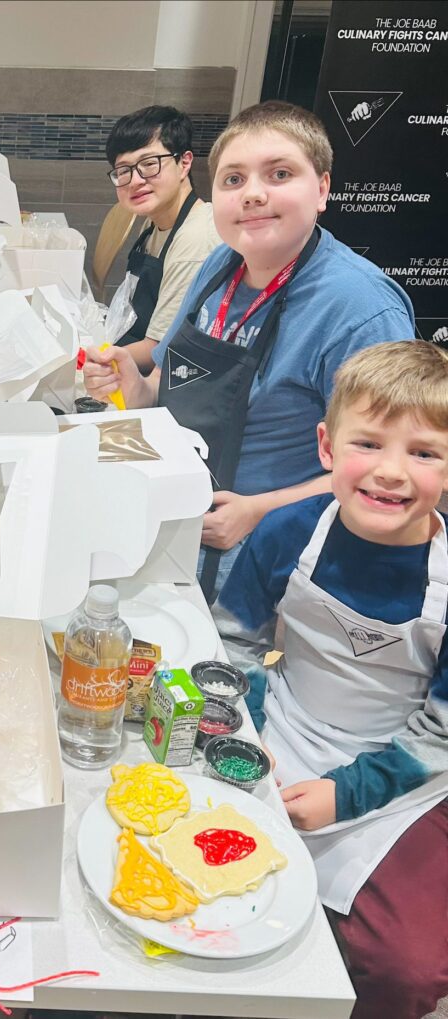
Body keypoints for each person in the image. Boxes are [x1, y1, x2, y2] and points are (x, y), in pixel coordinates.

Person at [84, 101, 415, 600]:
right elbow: (164, 387)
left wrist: (260, 509)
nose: (254, 194)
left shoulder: (359, 308)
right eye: (234, 180)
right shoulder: (222, 262)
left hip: (268, 561)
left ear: (322, 188)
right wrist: (133, 383)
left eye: (279, 174)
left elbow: (393, 473)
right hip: (177, 526)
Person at [213, 341, 448, 1019]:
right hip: (284, 726)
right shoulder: (288, 530)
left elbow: (438, 734)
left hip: (407, 767)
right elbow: (236, 640)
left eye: (425, 452)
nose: (391, 472)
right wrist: (248, 733)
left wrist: (347, 795)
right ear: (326, 444)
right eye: (367, 443)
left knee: (404, 963)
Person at [105, 105, 222, 372]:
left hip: (163, 377)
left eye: (149, 164)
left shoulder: (195, 238)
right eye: (123, 170)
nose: (134, 181)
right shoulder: (154, 220)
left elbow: (159, 348)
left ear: (185, 163)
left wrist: (86, 360)